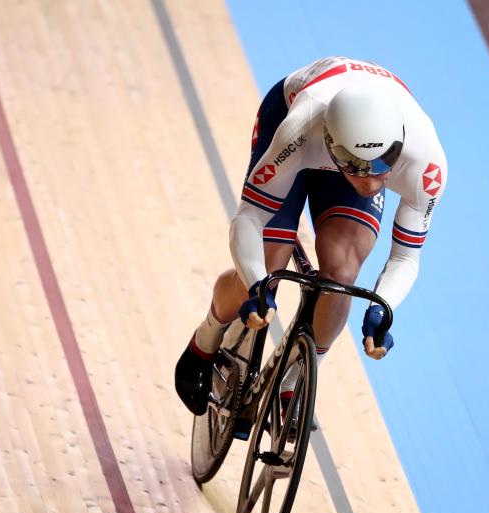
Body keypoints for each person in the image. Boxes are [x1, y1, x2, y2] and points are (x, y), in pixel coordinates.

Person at [175, 56, 447, 415]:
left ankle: (294, 380)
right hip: (293, 124)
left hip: (342, 143)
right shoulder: (301, 128)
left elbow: (405, 257)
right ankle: (206, 337)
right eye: (357, 168)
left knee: (343, 273)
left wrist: (385, 309)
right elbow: (249, 217)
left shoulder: (425, 161)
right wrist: (257, 283)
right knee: (269, 263)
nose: (370, 181)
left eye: (384, 165)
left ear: (396, 146)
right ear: (333, 147)